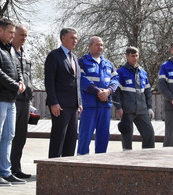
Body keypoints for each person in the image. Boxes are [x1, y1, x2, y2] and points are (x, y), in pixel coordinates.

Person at [0, 18, 26, 186]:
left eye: (14, 33)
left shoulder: (11, 49)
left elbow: (17, 69)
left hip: (11, 100)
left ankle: (6, 172)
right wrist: (15, 85)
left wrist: (21, 81)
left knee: (9, 136)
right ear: (0, 31)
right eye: (11, 32)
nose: (13, 36)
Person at [44, 27, 83, 158]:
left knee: (71, 139)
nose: (75, 40)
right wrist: (53, 102)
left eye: (76, 38)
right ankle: (52, 168)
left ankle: (67, 168)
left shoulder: (75, 58)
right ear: (63, 38)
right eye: (72, 38)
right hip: (59, 106)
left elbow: (77, 81)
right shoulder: (54, 56)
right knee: (58, 137)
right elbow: (49, 81)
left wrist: (79, 102)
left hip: (73, 106)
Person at [77, 36, 119, 155]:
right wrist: (98, 91)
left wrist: (108, 91)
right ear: (90, 46)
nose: (100, 47)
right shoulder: (82, 61)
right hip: (89, 105)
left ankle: (100, 162)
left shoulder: (108, 63)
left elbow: (115, 79)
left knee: (103, 135)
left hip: (104, 105)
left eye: (101, 45)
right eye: (97, 44)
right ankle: (81, 162)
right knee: (85, 135)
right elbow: (82, 80)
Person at [112, 46, 155, 150]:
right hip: (127, 110)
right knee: (127, 134)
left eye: (136, 55)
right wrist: (119, 107)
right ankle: (127, 158)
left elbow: (148, 92)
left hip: (142, 109)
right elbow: (116, 92)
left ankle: (148, 155)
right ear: (127, 56)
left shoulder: (143, 72)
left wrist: (149, 107)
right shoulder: (121, 72)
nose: (135, 58)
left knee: (149, 133)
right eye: (132, 56)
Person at [10, 25, 34, 179]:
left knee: (21, 136)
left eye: (26, 36)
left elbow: (29, 77)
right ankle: (4, 168)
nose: (23, 38)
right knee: (9, 136)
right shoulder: (7, 52)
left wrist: (30, 100)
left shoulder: (26, 54)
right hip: (12, 99)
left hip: (25, 100)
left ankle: (16, 168)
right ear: (14, 35)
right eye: (21, 35)